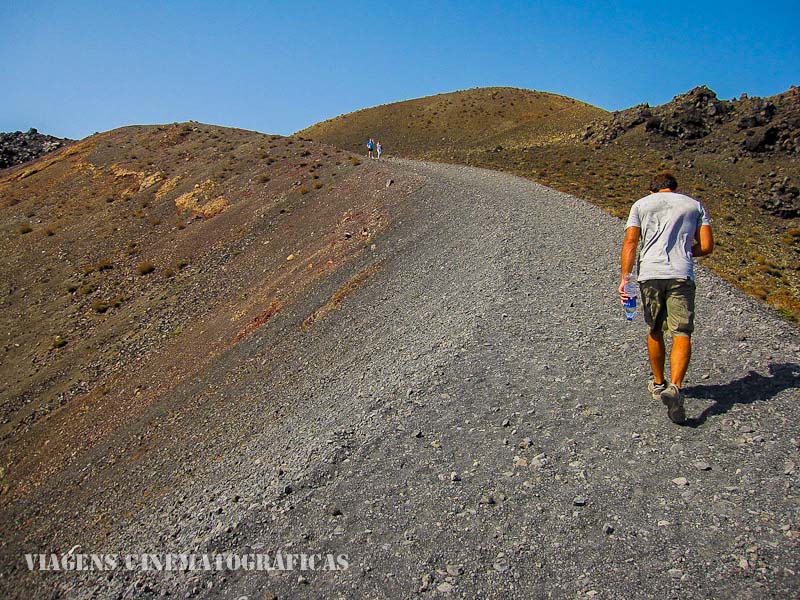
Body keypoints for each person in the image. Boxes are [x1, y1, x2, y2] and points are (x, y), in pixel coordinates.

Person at [619, 172, 714, 424]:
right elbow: (706, 246)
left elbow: (630, 242)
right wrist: (683, 252)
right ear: (674, 188)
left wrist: (625, 279)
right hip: (681, 274)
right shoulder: (694, 205)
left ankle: (658, 383)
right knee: (681, 331)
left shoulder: (640, 205)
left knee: (655, 329)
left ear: (653, 190)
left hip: (650, 273)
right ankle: (676, 386)